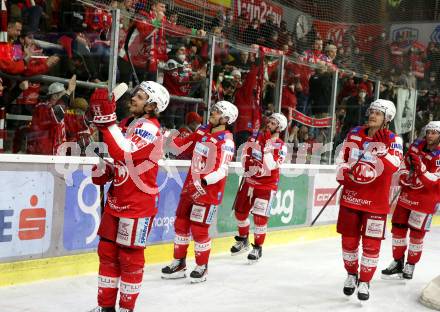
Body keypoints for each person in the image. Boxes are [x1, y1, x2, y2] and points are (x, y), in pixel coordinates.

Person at [89, 81, 170, 312]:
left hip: (137, 205)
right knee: (107, 252)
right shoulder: (131, 125)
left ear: (152, 106)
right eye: (135, 94)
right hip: (117, 201)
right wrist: (108, 169)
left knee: (129, 258)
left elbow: (124, 151)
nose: (134, 98)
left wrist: (106, 122)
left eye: (141, 96)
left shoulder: (150, 128)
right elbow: (124, 161)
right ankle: (106, 306)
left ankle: (126, 308)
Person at [161, 100, 238, 283]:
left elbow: (222, 170)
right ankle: (179, 264)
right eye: (212, 110)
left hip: (207, 191)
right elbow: (183, 145)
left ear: (226, 119)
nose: (212, 113)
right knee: (180, 225)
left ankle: (202, 267)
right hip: (190, 187)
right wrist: (165, 139)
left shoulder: (226, 140)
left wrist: (203, 181)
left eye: (216, 111)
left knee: (199, 229)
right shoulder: (203, 130)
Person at [335, 99, 403, 301]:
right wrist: (343, 172)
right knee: (348, 241)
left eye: (378, 113)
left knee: (371, 244)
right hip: (351, 198)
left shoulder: (394, 139)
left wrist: (381, 151)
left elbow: (394, 167)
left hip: (376, 202)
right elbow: (342, 158)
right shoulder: (355, 133)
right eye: (371, 111)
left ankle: (365, 281)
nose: (372, 115)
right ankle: (351, 274)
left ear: (387, 119)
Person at [381, 121, 440, 280]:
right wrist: (403, 175)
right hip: (407, 196)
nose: (429, 135)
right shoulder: (416, 145)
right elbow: (405, 163)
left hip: (426, 200)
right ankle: (398, 262)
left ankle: (410, 264)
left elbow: (435, 181)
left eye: (434, 133)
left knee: (416, 234)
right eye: (428, 132)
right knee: (398, 228)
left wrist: (421, 170)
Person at [230, 113, 288, 262]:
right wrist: (247, 165)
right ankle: (243, 240)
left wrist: (267, 145)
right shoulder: (255, 137)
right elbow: (244, 154)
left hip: (266, 186)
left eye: (274, 123)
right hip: (250, 182)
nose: (269, 124)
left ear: (279, 128)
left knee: (260, 219)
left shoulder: (281, 146)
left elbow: (270, 165)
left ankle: (257, 248)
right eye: (270, 121)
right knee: (240, 214)